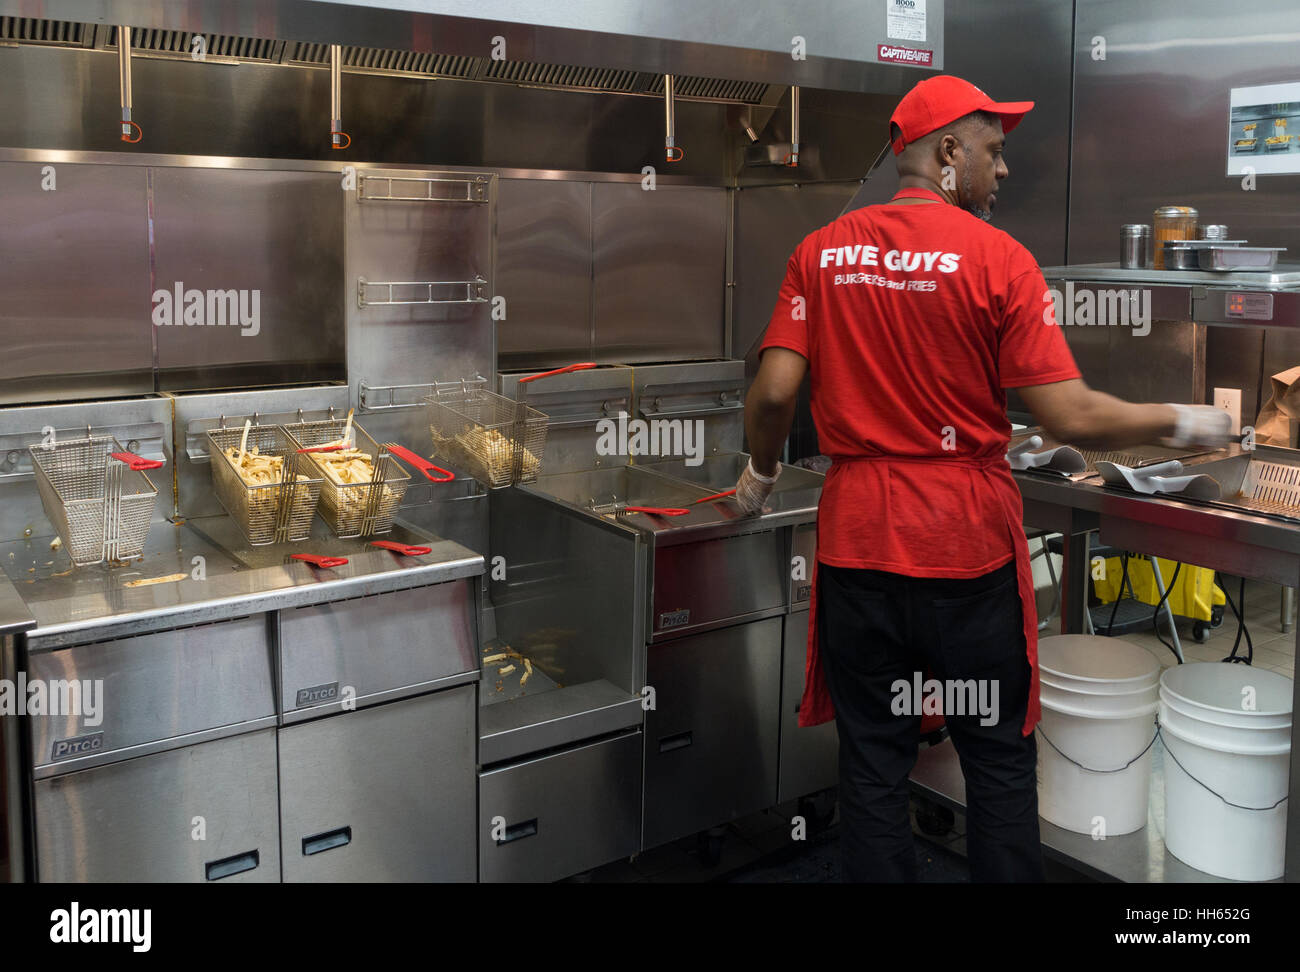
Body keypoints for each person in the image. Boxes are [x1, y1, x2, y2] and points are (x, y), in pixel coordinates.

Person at [732, 75, 1231, 882]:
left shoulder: (818, 252)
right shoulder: (999, 259)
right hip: (962, 550)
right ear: (948, 151)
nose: (1002, 172)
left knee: (873, 765)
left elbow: (777, 392)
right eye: (994, 152)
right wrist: (1181, 419)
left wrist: (758, 472)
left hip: (859, 544)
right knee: (996, 761)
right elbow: (1070, 417)